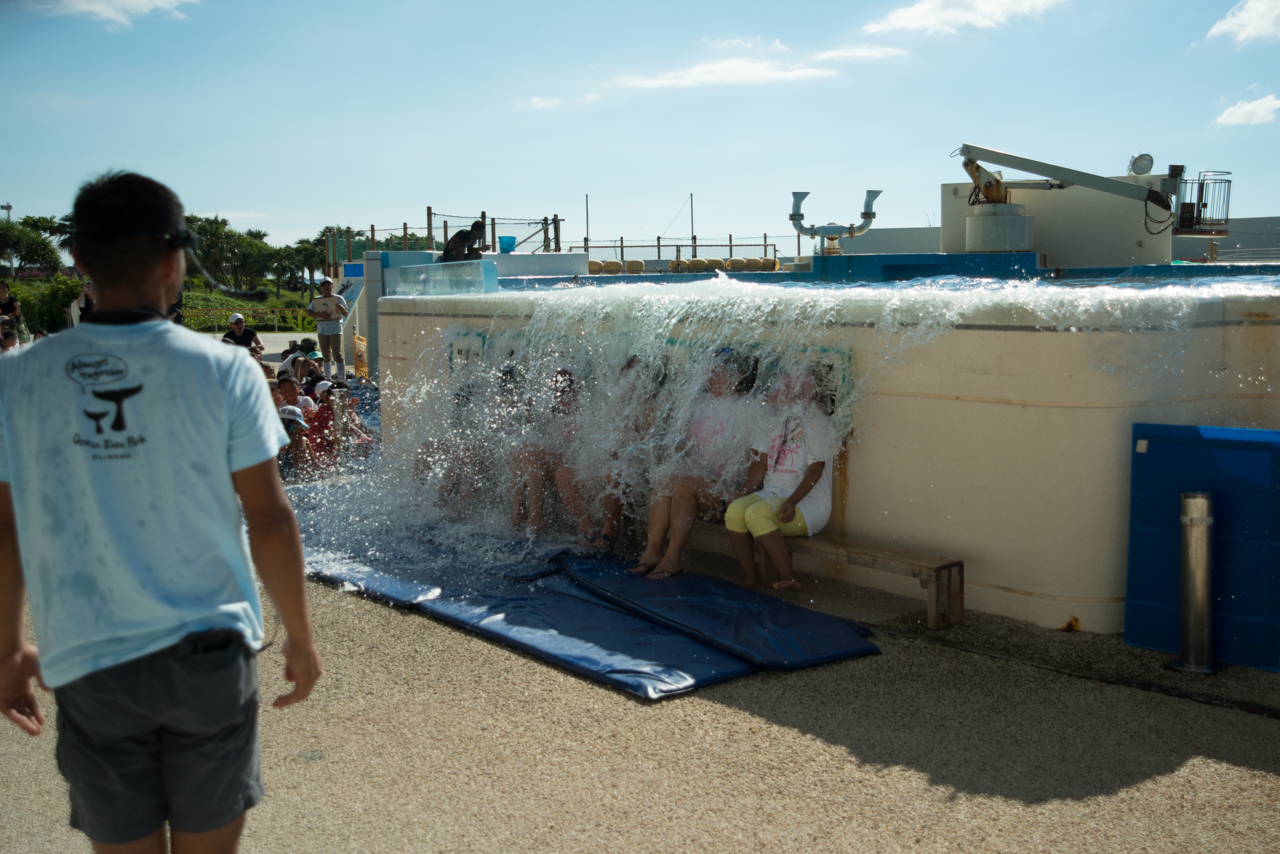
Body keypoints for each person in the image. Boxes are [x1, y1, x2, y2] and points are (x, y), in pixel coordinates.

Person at [0, 171, 321, 852]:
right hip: (208, 657)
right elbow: (270, 518)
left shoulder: (18, 378)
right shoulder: (227, 370)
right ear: (176, 261)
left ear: (79, 259)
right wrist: (299, 634)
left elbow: (6, 531)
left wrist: (6, 647)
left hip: (91, 658)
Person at [629, 350, 755, 579]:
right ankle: (653, 552)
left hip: (728, 491)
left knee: (684, 485)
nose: (712, 377)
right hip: (697, 481)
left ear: (737, 376)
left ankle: (673, 557)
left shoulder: (747, 407)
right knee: (664, 478)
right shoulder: (701, 403)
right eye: (710, 372)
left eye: (719, 372)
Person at [724, 367, 836, 592]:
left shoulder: (816, 421)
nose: (774, 391)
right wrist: (743, 492)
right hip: (775, 494)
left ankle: (788, 576)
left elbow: (816, 469)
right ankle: (751, 578)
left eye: (784, 387)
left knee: (756, 514)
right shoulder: (773, 419)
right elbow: (760, 464)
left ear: (799, 393)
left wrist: (792, 502)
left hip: (808, 504)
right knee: (735, 510)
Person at [305, 279, 347, 380]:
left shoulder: (338, 298)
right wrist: (320, 315)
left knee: (337, 354)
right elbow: (309, 312)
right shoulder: (318, 299)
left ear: (332, 286)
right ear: (321, 288)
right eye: (324, 286)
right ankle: (328, 377)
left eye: (329, 285)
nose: (327, 287)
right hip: (322, 329)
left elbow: (345, 313)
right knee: (325, 354)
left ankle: (342, 378)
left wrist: (341, 308)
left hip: (335, 328)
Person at [278, 405, 317, 481]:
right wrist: (292, 437)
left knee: (303, 439)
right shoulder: (275, 438)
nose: (301, 428)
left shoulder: (302, 439)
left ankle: (301, 475)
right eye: (298, 424)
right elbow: (282, 451)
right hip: (281, 472)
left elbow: (314, 464)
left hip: (295, 473)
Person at [0, 280, 27, 344]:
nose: (2, 289)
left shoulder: (13, 299)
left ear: (7, 288)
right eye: (0, 287)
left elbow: (18, 314)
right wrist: (6, 317)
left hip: (12, 324)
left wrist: (18, 307)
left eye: (4, 287)